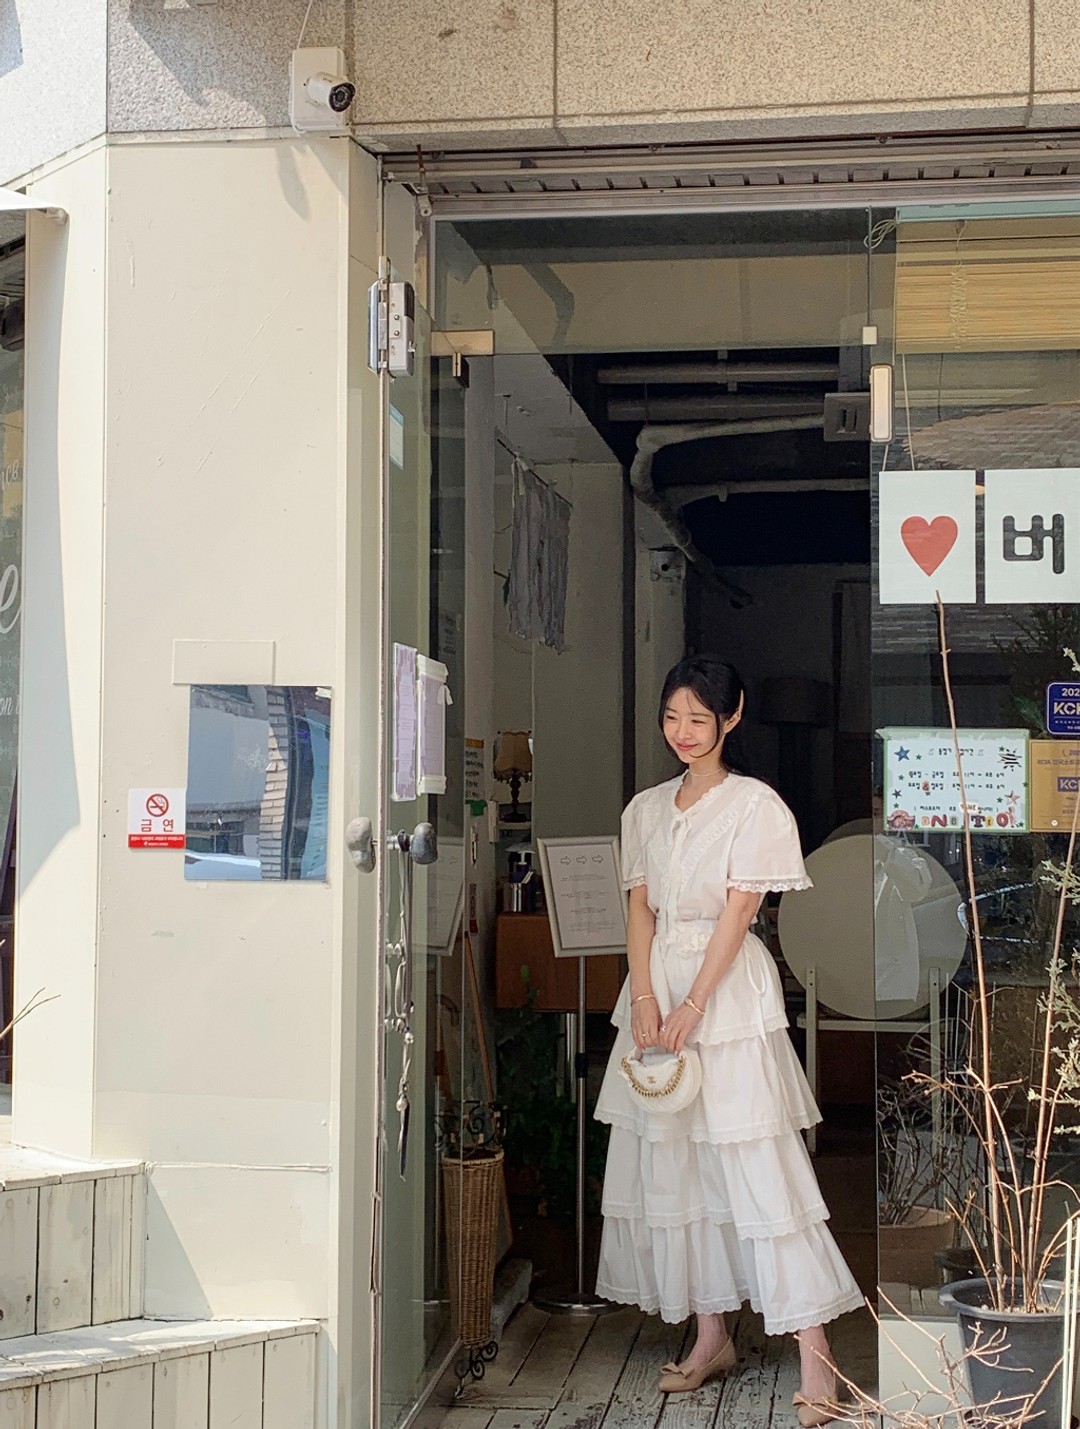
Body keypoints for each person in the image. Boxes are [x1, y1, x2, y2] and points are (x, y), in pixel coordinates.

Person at [594, 656, 864, 1424]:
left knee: (757, 1164)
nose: (682, 731)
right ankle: (711, 1335)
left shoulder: (755, 805)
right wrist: (646, 996)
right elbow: (639, 907)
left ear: (732, 718)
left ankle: (816, 1357)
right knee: (676, 1161)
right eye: (672, 716)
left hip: (728, 996)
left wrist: (694, 1003)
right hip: (656, 985)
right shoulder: (645, 809)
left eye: (698, 718)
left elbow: (741, 911)